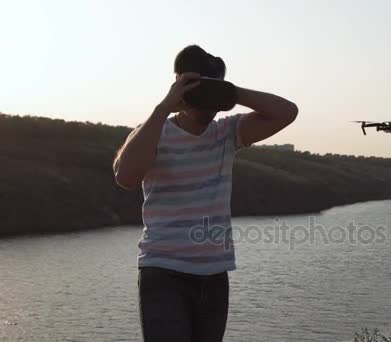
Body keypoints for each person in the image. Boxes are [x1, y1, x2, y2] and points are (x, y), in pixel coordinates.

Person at [113, 45, 298, 342]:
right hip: (163, 273)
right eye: (201, 97)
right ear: (180, 89)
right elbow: (125, 176)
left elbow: (287, 112)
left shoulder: (226, 133)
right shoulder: (153, 131)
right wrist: (163, 107)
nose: (209, 108)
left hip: (214, 275)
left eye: (215, 100)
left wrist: (230, 92)